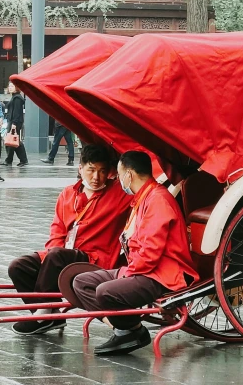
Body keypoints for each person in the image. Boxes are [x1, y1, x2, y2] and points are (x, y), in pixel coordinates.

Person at [72, 150, 199, 356]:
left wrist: (128, 274)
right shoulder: (144, 197)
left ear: (129, 175)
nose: (119, 180)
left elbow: (151, 251)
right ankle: (129, 329)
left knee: (105, 291)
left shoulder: (157, 199)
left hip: (161, 274)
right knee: (80, 282)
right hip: (139, 268)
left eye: (120, 175)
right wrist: (126, 272)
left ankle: (130, 331)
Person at [7, 144, 132, 335]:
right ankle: (50, 313)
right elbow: (57, 230)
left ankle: (42, 314)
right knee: (18, 266)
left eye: (102, 171)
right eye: (91, 170)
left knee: (56, 256)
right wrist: (49, 256)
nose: (96, 177)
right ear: (80, 168)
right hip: (62, 255)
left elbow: (147, 191)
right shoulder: (68, 193)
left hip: (94, 259)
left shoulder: (118, 193)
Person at [4, 81, 28, 167]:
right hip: (13, 122)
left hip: (14, 122)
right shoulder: (14, 97)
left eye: (12, 86)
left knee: (12, 140)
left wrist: (14, 124)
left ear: (17, 88)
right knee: (14, 140)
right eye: (9, 86)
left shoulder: (17, 98)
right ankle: (19, 160)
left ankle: (12, 160)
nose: (10, 87)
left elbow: (17, 112)